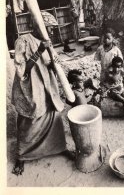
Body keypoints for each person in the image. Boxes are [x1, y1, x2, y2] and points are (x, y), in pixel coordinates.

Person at [11, 11, 74, 176]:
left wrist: (56, 64)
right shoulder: (23, 41)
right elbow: (22, 72)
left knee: (54, 116)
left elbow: (52, 64)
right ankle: (21, 156)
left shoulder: (47, 42)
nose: (51, 32)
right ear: (36, 26)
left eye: (53, 29)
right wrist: (39, 51)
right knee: (29, 122)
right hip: (30, 89)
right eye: (48, 28)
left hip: (47, 86)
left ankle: (59, 147)